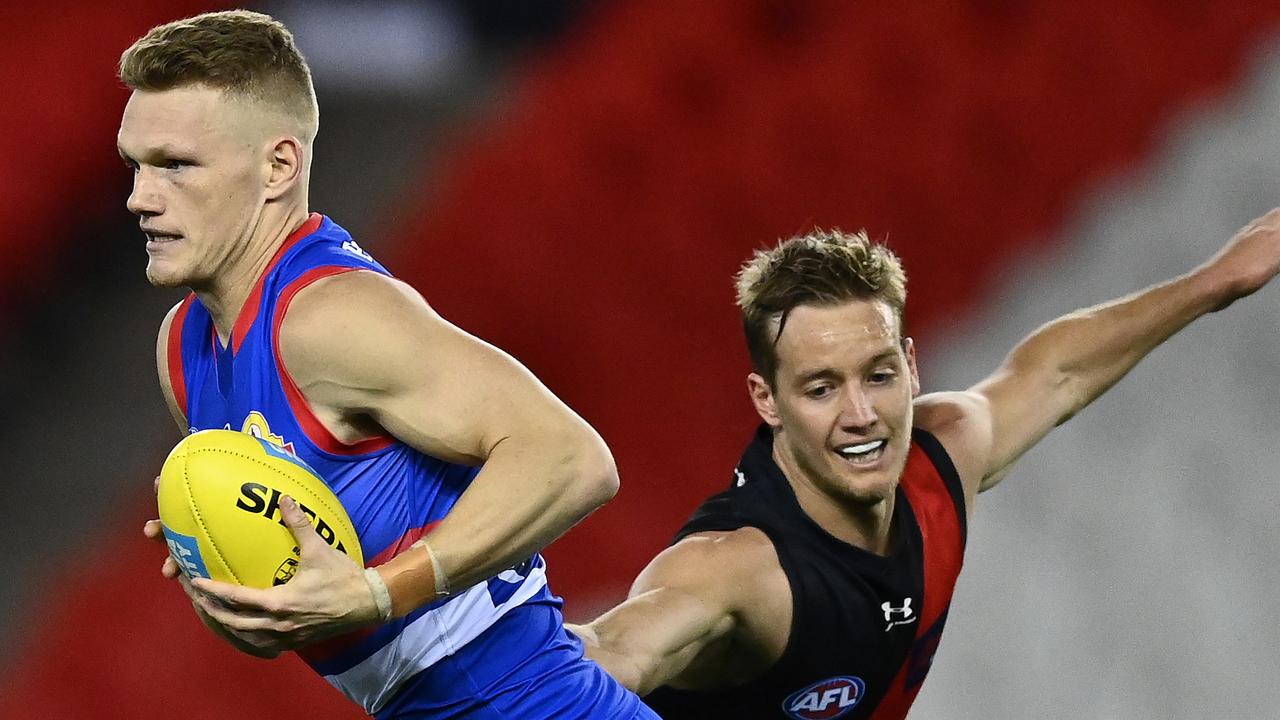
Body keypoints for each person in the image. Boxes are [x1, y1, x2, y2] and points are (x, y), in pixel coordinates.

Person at [118, 10, 657, 720]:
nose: (139, 198)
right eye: (135, 165)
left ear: (279, 166)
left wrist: (378, 593)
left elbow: (573, 460)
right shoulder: (182, 348)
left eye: (175, 166)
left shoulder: (331, 318)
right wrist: (227, 589)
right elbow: (297, 626)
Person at [567, 218, 1280, 719]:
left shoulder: (945, 454)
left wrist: (1216, 283)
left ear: (910, 365)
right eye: (820, 389)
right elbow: (622, 646)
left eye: (876, 375)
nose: (860, 415)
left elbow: (1058, 371)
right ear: (768, 400)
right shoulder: (739, 567)